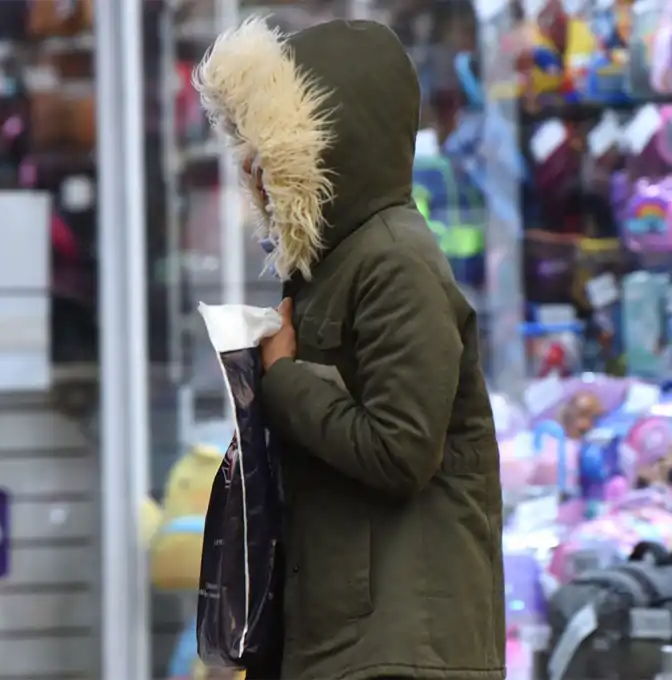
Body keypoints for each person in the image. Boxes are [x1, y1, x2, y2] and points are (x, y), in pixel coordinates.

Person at [194, 17, 505, 680]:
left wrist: (282, 378)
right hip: (349, 640)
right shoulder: (334, 264)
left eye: (271, 150)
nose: (255, 170)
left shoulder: (395, 262)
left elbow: (401, 449)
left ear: (327, 145)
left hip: (402, 649)